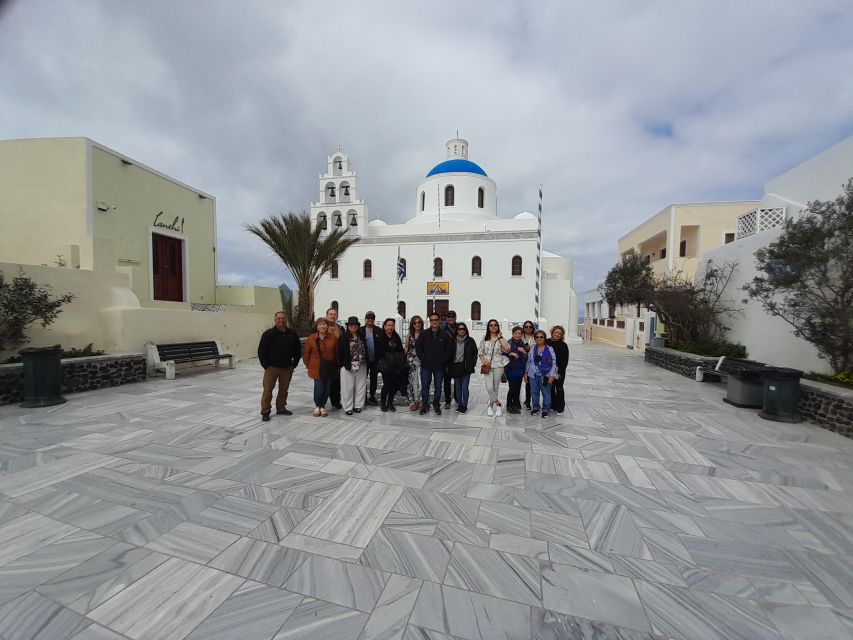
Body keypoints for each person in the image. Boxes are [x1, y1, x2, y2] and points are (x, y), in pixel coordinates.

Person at [257, 311, 302, 421]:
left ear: (286, 320)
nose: (281, 320)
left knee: (284, 390)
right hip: (271, 368)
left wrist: (294, 364)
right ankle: (265, 411)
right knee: (267, 390)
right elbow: (261, 351)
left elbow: (298, 350)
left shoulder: (292, 334)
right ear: (275, 320)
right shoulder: (268, 334)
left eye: (283, 318)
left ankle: (281, 408)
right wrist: (266, 365)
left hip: (287, 368)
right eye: (279, 318)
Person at [415, 312, 453, 415]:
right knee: (425, 387)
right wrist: (423, 359)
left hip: (439, 367)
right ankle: (425, 406)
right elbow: (418, 348)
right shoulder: (424, 334)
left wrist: (443, 361)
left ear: (440, 320)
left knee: (438, 387)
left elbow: (449, 350)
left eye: (436, 320)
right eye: (432, 320)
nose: (434, 322)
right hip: (426, 366)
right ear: (430, 321)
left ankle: (436, 406)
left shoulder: (445, 335)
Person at [302, 317, 339, 417]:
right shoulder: (311, 338)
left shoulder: (333, 338)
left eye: (324, 324)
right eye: (320, 324)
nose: (322, 326)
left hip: (330, 367)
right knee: (319, 387)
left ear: (327, 326)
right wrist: (308, 365)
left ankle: (322, 406)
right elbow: (306, 354)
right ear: (317, 326)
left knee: (327, 388)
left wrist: (337, 365)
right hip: (316, 367)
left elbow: (336, 353)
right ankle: (317, 405)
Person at [479, 319, 510, 417]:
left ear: (498, 326)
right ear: (488, 327)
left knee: (495, 387)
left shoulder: (501, 338)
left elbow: (507, 349)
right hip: (487, 365)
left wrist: (500, 337)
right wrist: (484, 361)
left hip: (498, 365)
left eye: (495, 325)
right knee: (489, 387)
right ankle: (498, 404)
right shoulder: (484, 338)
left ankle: (490, 406)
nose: (493, 326)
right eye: (491, 325)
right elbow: (480, 352)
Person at [338, 316, 368, 415]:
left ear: (358, 326)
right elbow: (340, 353)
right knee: (347, 387)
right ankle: (347, 407)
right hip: (348, 365)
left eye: (355, 325)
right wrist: (344, 364)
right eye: (351, 325)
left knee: (360, 386)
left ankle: (358, 405)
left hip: (361, 365)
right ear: (348, 326)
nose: (353, 326)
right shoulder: (343, 337)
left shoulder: (361, 336)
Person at [525, 329, 557, 417]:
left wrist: (552, 375)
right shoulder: (532, 349)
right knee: (534, 392)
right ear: (534, 339)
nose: (539, 338)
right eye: (537, 337)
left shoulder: (549, 349)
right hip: (533, 374)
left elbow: (553, 363)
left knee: (546, 393)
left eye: (541, 337)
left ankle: (546, 409)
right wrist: (526, 373)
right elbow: (529, 362)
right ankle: (535, 408)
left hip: (545, 375)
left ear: (544, 338)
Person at [376, 318, 406, 411]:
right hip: (386, 365)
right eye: (388, 325)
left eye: (392, 325)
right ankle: (383, 402)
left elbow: (400, 350)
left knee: (394, 385)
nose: (390, 327)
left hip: (395, 365)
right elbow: (379, 352)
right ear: (384, 326)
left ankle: (390, 403)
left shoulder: (396, 337)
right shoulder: (380, 337)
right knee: (387, 384)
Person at [448, 322, 477, 413]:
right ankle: (460, 404)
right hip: (455, 367)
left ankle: (464, 405)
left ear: (466, 330)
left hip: (465, 367)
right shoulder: (452, 340)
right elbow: (449, 353)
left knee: (465, 387)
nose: (461, 330)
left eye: (463, 329)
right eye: (459, 329)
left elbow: (474, 354)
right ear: (457, 330)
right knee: (458, 387)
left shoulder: (470, 340)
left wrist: (471, 364)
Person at [359, 311, 383, 406]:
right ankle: (362, 397)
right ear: (365, 319)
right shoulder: (360, 330)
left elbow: (381, 345)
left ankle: (372, 396)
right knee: (362, 379)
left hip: (374, 360)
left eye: (372, 318)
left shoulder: (378, 331)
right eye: (368, 318)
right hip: (363, 361)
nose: (370, 320)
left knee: (374, 379)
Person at [547, 325, 570, 414]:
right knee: (550, 388)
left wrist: (559, 372)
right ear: (552, 332)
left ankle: (560, 406)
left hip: (559, 371)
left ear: (562, 335)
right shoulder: (546, 342)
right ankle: (552, 405)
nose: (557, 334)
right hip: (548, 370)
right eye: (556, 332)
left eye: (559, 333)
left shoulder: (563, 345)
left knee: (559, 388)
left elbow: (565, 360)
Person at [504, 325, 527, 414]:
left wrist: (524, 352)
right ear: (512, 333)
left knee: (518, 388)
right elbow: (503, 353)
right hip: (511, 369)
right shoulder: (508, 343)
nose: (517, 335)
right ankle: (509, 405)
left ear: (521, 334)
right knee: (512, 388)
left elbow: (526, 357)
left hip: (520, 369)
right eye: (516, 333)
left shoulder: (523, 343)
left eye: (519, 333)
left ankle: (516, 403)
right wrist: (510, 353)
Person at [325, 307, 344, 409]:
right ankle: (321, 402)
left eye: (334, 314)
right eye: (330, 314)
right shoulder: (322, 327)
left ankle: (335, 401)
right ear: (326, 315)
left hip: (337, 359)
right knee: (325, 382)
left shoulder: (340, 328)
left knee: (336, 382)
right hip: (326, 360)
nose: (332, 316)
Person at [405, 315, 424, 411]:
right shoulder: (410, 335)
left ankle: (420, 401)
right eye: (415, 323)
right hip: (411, 362)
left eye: (419, 322)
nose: (417, 324)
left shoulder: (425, 334)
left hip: (421, 361)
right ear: (412, 324)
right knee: (412, 382)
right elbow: (406, 348)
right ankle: (413, 402)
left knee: (421, 382)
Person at [441, 310, 458, 409]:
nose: (451, 318)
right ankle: (448, 401)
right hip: (446, 359)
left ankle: (457, 399)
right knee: (447, 382)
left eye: (452, 316)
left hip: (457, 359)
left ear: (455, 318)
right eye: (449, 316)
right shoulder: (442, 329)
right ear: (446, 318)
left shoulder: (459, 328)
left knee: (457, 381)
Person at [520, 321, 536, 408]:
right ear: (523, 328)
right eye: (526, 327)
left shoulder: (536, 337)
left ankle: (528, 400)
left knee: (529, 383)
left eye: (530, 327)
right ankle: (516, 402)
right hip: (520, 362)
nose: (528, 328)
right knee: (517, 383)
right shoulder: (519, 336)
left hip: (532, 363)